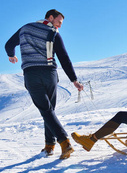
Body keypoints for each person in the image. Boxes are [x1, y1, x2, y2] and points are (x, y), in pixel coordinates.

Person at [5, 9, 84, 159]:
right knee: (49, 110)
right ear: (51, 17)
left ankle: (58, 143)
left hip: (31, 74)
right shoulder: (53, 33)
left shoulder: (25, 29)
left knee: (46, 111)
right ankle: (53, 144)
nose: (60, 25)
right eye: (59, 21)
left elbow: (9, 44)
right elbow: (64, 58)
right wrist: (74, 80)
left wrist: (11, 55)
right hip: (49, 74)